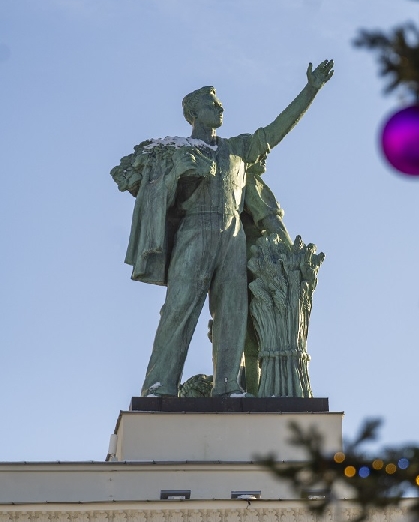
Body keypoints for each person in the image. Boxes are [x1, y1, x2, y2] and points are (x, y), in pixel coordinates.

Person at [111, 60, 333, 396]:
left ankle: (228, 384)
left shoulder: (237, 149)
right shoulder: (177, 150)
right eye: (211, 104)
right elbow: (150, 192)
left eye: (219, 104)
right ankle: (160, 385)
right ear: (194, 114)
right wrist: (176, 174)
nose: (220, 108)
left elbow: (275, 131)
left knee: (232, 313)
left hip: (233, 239)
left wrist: (311, 89)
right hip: (194, 234)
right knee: (179, 310)